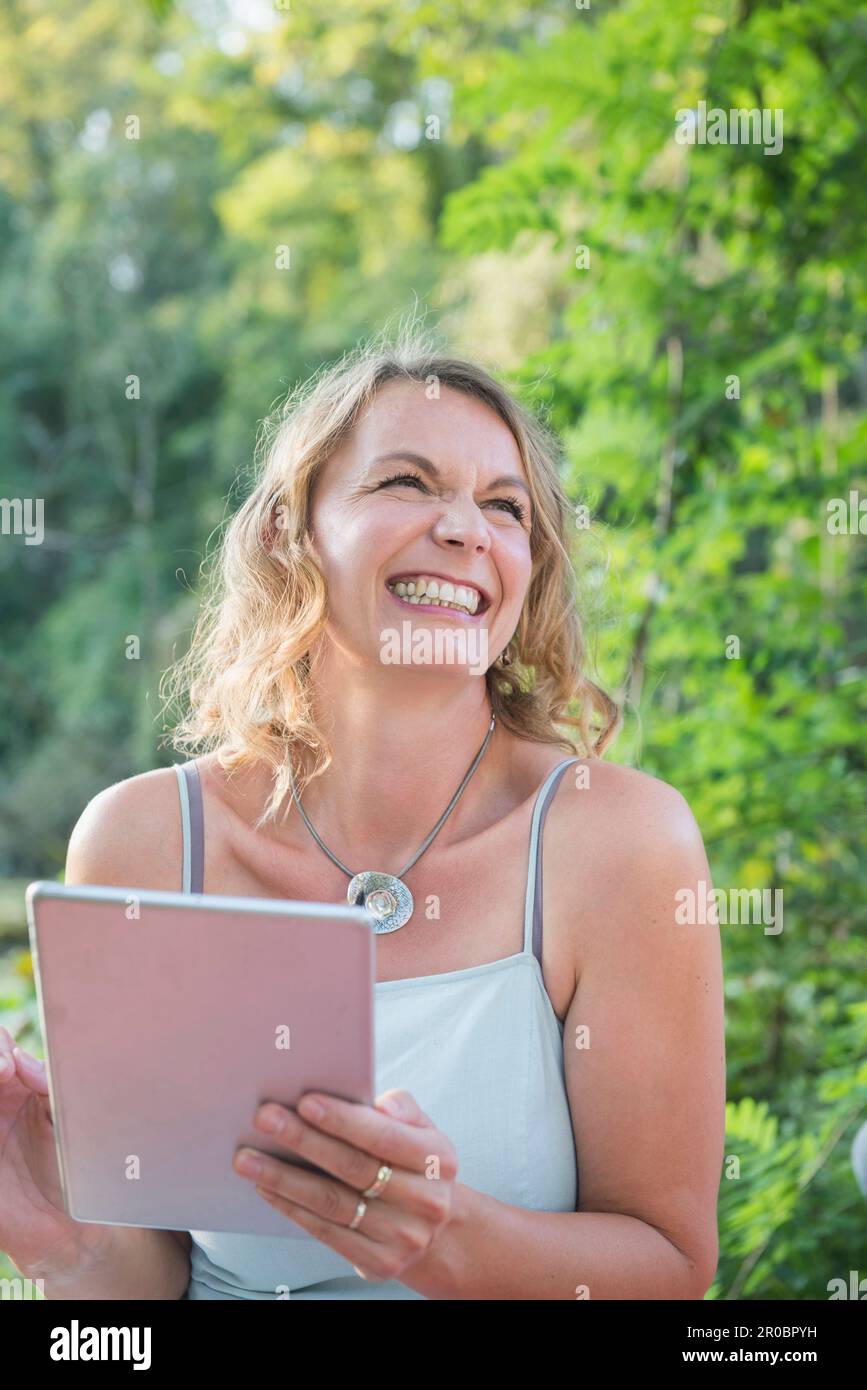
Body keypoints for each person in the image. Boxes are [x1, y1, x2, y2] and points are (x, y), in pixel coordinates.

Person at [0, 326, 725, 1299]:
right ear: (290, 531)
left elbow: (672, 1272)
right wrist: (65, 1245)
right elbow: (139, 1296)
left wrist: (442, 1237)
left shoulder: (620, 842)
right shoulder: (144, 842)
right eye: (408, 483)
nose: (466, 527)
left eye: (505, 506)